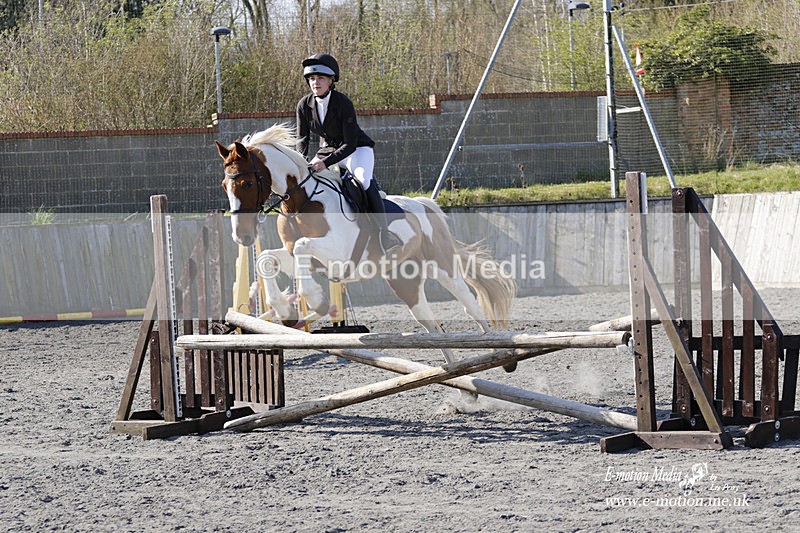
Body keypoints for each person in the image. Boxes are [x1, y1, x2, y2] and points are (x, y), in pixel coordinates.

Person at [295, 53, 402, 254]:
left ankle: (384, 233)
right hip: (328, 150)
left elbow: (350, 143)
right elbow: (303, 140)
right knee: (306, 182)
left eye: (320, 78)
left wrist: (325, 164)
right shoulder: (304, 105)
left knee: (363, 180)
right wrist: (301, 163)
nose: (315, 82)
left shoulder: (342, 102)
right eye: (312, 78)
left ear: (331, 80)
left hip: (356, 149)